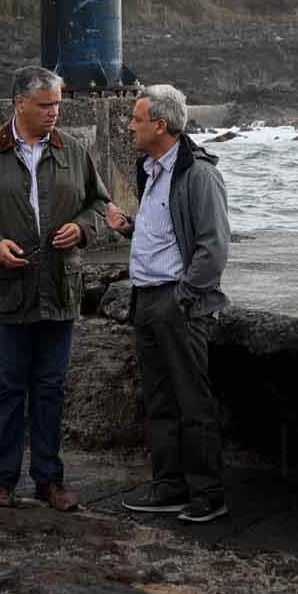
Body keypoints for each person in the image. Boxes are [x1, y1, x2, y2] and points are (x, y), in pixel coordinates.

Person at [0, 65, 111, 511]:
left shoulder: (74, 150)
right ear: (19, 104)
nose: (55, 112)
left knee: (51, 388)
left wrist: (83, 227)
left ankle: (50, 481)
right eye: (45, 105)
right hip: (7, 289)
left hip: (59, 287)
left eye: (58, 104)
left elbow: (100, 204)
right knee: (7, 388)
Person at [103, 83, 230, 524]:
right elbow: (161, 231)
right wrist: (128, 227)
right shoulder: (150, 169)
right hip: (146, 297)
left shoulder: (199, 174)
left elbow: (213, 248)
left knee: (193, 401)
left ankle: (208, 494)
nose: (129, 126)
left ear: (160, 125)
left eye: (136, 119)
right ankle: (170, 486)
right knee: (159, 400)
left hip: (177, 301)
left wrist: (184, 297)